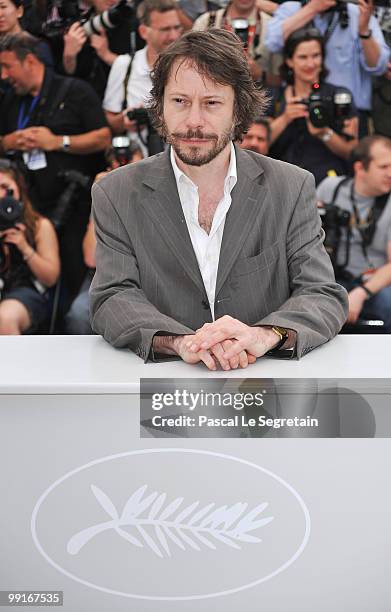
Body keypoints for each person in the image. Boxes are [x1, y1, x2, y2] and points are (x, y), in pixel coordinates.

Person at [90, 29, 348, 370]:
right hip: (163, 394)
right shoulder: (116, 191)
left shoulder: (291, 186)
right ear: (160, 105)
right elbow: (112, 297)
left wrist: (265, 335)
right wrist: (180, 343)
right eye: (180, 101)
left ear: (238, 110)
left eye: (212, 103)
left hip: (265, 389)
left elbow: (321, 294)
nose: (194, 122)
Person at [0, 32, 111, 297]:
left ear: (30, 62)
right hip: (28, 207)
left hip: (74, 205)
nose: (4, 76)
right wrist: (8, 142)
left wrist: (58, 142)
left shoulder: (75, 90)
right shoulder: (12, 101)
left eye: (7, 66)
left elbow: (103, 137)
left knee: (71, 277)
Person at [265, 0, 390, 136]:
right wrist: (312, 8)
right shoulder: (291, 9)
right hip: (299, 109)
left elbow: (379, 66)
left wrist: (364, 31)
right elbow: (272, 42)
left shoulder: (357, 13)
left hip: (346, 111)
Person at [317, 135, 391, 330]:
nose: (390, 173)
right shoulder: (330, 188)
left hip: (372, 283)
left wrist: (360, 293)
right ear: (360, 168)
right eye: (384, 167)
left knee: (387, 302)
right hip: (330, 277)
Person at [269, 27, 358, 185]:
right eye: (303, 57)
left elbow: (351, 152)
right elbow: (253, 144)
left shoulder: (340, 96)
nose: (310, 64)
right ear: (289, 61)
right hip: (282, 181)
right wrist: (285, 118)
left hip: (328, 181)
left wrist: (324, 133)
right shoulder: (274, 97)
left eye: (316, 56)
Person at [103, 0, 182, 156]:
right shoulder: (125, 66)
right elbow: (110, 121)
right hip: (137, 163)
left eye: (177, 27)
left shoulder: (193, 67)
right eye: (165, 29)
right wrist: (125, 120)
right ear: (144, 32)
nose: (173, 35)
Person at [0, 158, 60, 333]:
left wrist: (24, 247)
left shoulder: (39, 225)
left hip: (26, 292)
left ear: (18, 188)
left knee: (5, 316)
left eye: (5, 187)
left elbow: (50, 278)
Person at [192, 0, 281, 84]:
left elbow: (282, 80)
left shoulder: (272, 25)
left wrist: (260, 74)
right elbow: (191, 67)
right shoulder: (206, 21)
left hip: (259, 94)